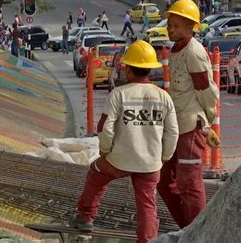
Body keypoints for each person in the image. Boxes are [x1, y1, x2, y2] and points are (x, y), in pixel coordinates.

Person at [70, 40, 179, 243]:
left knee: (96, 173)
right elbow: (173, 132)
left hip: (118, 160)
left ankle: (85, 217)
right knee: (147, 203)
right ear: (150, 69)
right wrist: (164, 157)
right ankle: (147, 240)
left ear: (127, 69)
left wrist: (105, 151)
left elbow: (105, 128)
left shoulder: (118, 94)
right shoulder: (163, 97)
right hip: (150, 164)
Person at [156, 0, 220, 229]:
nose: (171, 30)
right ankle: (187, 227)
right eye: (170, 25)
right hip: (176, 125)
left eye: (176, 26)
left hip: (191, 127)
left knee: (189, 182)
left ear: (191, 27)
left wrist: (208, 122)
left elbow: (206, 89)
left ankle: (198, 232)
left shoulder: (194, 52)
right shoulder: (177, 50)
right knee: (164, 181)